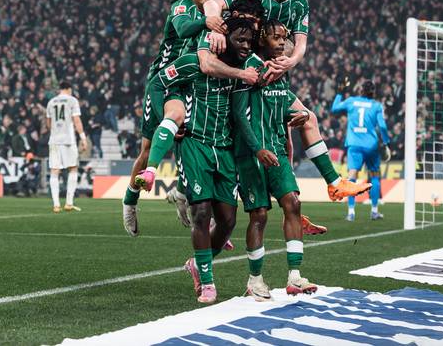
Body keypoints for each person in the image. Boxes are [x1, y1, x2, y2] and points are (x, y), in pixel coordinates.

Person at [202, 0, 371, 202]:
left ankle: (328, 186)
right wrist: (215, 26)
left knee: (301, 127)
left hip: (275, 78)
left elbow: (300, 44)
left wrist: (290, 62)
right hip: (245, 79)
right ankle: (196, 190)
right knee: (236, 136)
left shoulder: (300, 3)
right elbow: (212, 3)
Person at [122, 0, 250, 236]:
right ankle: (130, 200)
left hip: (191, 81)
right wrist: (207, 22)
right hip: (164, 79)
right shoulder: (183, 7)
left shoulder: (215, 14)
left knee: (192, 136)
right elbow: (182, 30)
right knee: (149, 148)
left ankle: (182, 192)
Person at [142, 16, 263, 304]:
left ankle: (197, 264)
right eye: (240, 40)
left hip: (225, 148)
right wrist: (167, 118)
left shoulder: (247, 66)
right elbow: (157, 84)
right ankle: (207, 283)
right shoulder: (193, 62)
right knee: (201, 212)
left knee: (228, 220)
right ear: (224, 38)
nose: (246, 46)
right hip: (194, 143)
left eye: (249, 41)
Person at [232, 20, 318, 301]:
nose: (282, 42)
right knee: (259, 214)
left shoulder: (281, 70)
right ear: (261, 40)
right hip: (251, 153)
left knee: (293, 203)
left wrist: (298, 115)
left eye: (284, 37)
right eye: (275, 38)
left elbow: (279, 108)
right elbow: (239, 114)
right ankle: (255, 279)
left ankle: (295, 277)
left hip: (277, 150)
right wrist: (257, 149)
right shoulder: (249, 68)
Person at [330, 79, 390, 221]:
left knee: (352, 177)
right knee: (374, 176)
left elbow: (334, 109)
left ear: (361, 90)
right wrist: (386, 142)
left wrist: (339, 93)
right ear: (373, 92)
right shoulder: (376, 105)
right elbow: (382, 126)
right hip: (371, 146)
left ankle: (351, 213)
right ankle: (374, 211)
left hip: (354, 145)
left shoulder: (351, 101)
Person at [45, 81, 89, 213]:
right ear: (69, 89)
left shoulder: (51, 102)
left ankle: (56, 205)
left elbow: (48, 124)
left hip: (54, 140)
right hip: (68, 140)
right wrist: (83, 138)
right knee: (73, 168)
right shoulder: (72, 100)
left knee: (54, 170)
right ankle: (69, 203)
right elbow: (77, 120)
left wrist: (55, 131)